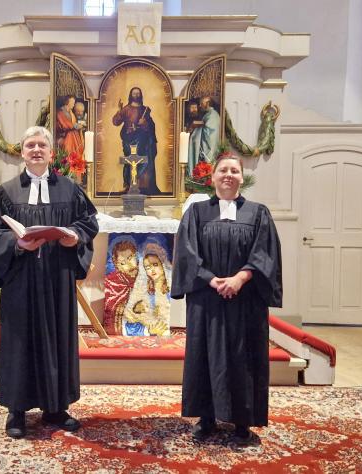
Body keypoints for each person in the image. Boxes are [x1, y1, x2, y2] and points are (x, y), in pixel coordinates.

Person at [0, 126, 99, 439]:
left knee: (57, 338)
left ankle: (56, 408)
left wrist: (73, 236)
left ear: (51, 152)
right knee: (20, 340)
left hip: (56, 278)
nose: (36, 150)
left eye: (42, 145)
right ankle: (17, 411)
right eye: (30, 145)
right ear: (22, 152)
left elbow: (88, 222)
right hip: (20, 280)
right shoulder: (6, 193)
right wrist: (17, 244)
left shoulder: (69, 189)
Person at [171, 154, 282, 446]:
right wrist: (210, 278)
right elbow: (186, 252)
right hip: (207, 299)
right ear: (213, 177)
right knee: (204, 355)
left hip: (245, 301)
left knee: (243, 357)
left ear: (242, 178)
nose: (229, 175)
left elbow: (264, 253)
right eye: (223, 170)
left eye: (234, 170)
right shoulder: (196, 212)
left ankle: (242, 422)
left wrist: (240, 278)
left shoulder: (258, 213)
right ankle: (205, 419)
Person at [112, 87, 160, 194]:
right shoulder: (126, 109)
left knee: (142, 162)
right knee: (129, 161)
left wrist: (145, 124)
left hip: (142, 140)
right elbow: (115, 122)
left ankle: (138, 185)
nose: (136, 95)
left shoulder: (145, 110)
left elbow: (151, 126)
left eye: (138, 93)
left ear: (141, 95)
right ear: (130, 95)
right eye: (134, 93)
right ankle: (127, 185)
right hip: (128, 140)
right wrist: (119, 111)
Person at [124, 241, 171, 336]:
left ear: (163, 264)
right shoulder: (147, 294)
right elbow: (130, 322)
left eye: (155, 264)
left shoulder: (168, 291)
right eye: (147, 267)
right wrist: (148, 330)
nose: (152, 270)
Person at [103, 237, 139, 335]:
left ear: (136, 256)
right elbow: (110, 306)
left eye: (130, 258)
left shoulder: (145, 277)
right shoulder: (112, 282)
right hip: (121, 327)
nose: (129, 265)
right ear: (117, 266)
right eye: (123, 263)